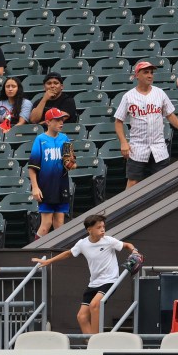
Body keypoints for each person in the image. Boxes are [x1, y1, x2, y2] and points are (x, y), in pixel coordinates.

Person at [31, 214, 139, 334]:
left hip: (110, 280)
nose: (103, 229)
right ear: (89, 230)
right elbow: (68, 253)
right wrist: (48, 261)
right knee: (81, 317)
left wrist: (134, 250)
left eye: (103, 226)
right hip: (93, 283)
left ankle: (96, 342)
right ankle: (90, 343)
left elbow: (127, 245)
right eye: (99, 227)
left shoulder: (109, 241)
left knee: (94, 305)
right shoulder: (82, 244)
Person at [114, 61, 178, 189]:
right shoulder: (128, 96)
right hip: (137, 147)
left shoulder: (159, 93)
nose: (150, 75)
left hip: (158, 146)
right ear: (137, 75)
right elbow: (118, 121)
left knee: (163, 183)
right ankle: (128, 208)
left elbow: (170, 115)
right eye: (146, 72)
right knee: (133, 183)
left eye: (151, 73)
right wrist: (123, 142)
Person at [29, 108, 74, 238]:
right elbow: (32, 167)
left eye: (62, 120)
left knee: (60, 224)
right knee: (46, 224)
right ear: (48, 122)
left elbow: (71, 162)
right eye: (57, 120)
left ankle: (57, 255)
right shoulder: (40, 139)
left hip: (61, 184)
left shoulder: (65, 138)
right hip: (46, 185)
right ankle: (34, 254)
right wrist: (35, 187)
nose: (61, 122)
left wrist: (71, 164)